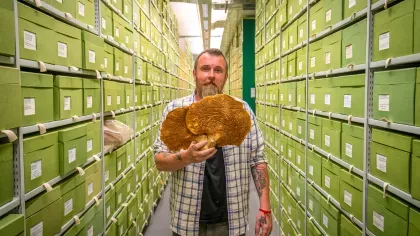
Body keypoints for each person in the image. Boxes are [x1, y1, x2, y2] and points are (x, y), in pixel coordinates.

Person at [153, 48, 272, 236]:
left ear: (225, 77)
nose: (211, 75)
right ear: (194, 74)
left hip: (232, 221)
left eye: (218, 70)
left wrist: (265, 207)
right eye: (205, 69)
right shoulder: (175, 110)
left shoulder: (242, 111)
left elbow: (257, 159)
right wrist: (186, 157)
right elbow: (159, 160)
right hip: (187, 220)